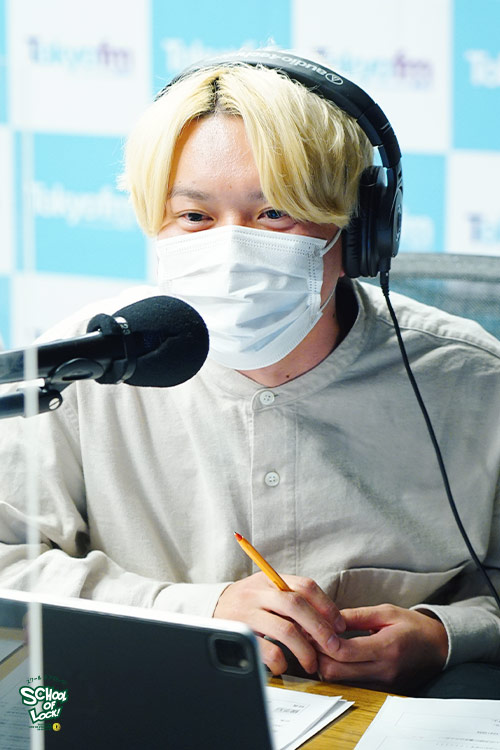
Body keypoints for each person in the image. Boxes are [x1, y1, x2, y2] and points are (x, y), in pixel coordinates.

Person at [1, 51, 499, 698]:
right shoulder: (82, 370)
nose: (231, 247)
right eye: (194, 217)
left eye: (272, 214)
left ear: (360, 231)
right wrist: (194, 611)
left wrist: (445, 635)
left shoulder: (472, 380)